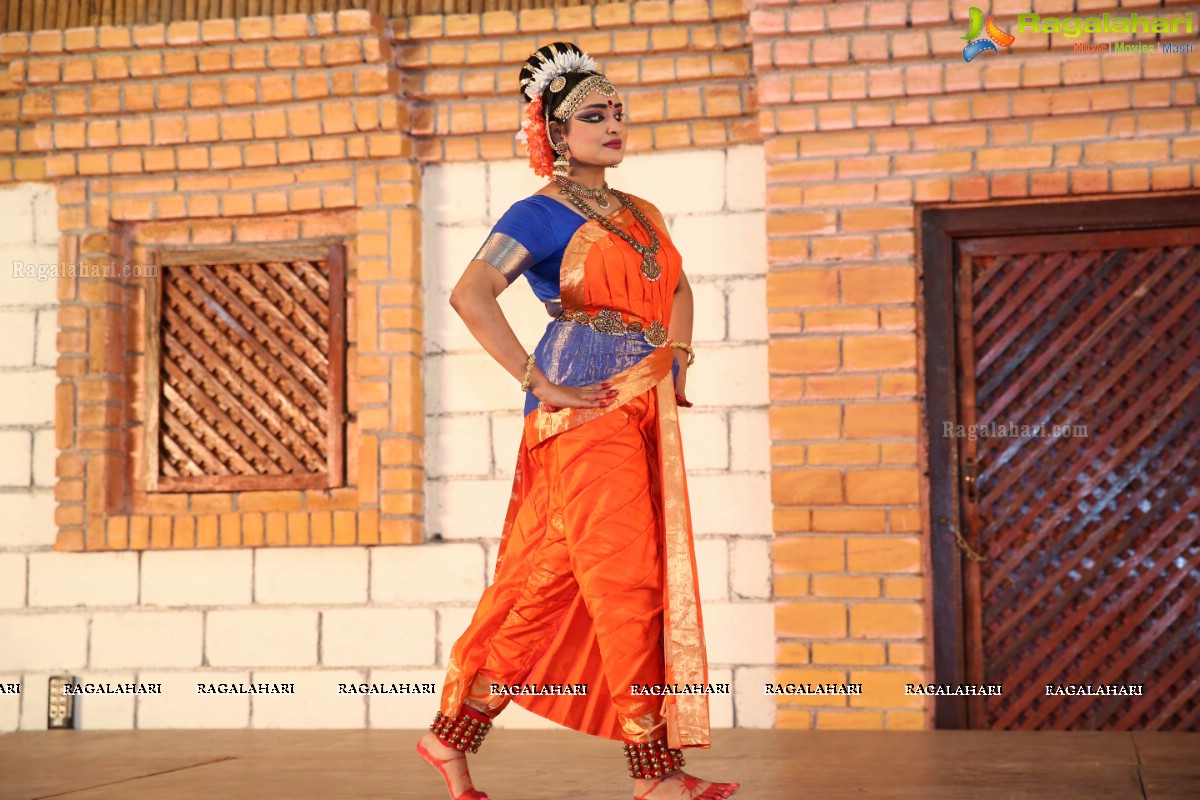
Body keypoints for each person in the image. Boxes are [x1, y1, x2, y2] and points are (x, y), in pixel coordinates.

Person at [415, 42, 740, 800]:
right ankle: (653, 773)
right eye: (594, 115)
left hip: (642, 406)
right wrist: (537, 379)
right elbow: (471, 293)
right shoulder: (538, 213)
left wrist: (680, 352)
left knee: (548, 584)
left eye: (618, 113)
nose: (613, 124)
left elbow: (680, 287)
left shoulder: (642, 213)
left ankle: (451, 736)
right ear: (556, 135)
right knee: (624, 579)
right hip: (584, 411)